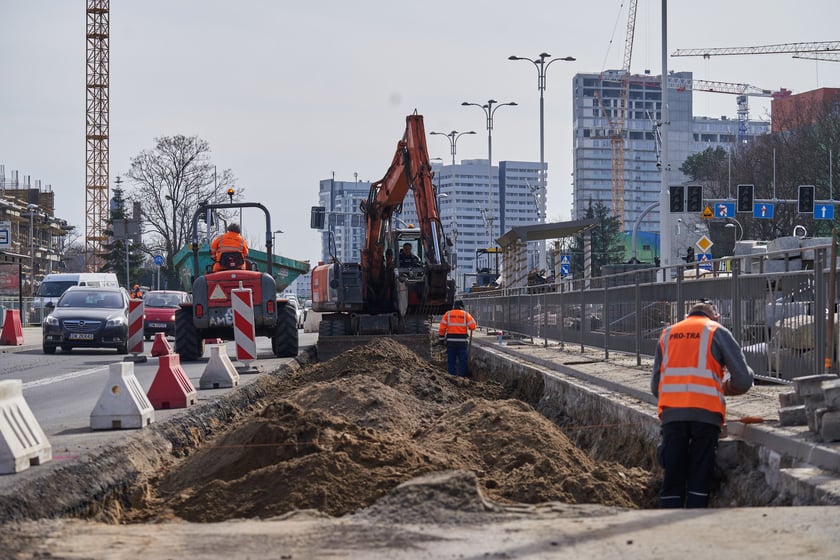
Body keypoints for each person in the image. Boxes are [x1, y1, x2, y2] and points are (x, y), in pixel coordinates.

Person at [650, 300, 754, 509]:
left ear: (688, 315)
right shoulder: (718, 331)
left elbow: (656, 387)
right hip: (706, 414)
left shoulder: (668, 333)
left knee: (672, 475)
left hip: (672, 415)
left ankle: (667, 521)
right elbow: (743, 380)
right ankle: (695, 521)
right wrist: (720, 387)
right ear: (716, 317)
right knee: (700, 473)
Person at [438, 300, 477, 378]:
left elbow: (442, 328)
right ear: (462, 307)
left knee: (451, 361)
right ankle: (462, 377)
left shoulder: (448, 314)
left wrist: (441, 339)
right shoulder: (466, 314)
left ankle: (451, 377)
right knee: (463, 361)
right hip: (462, 343)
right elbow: (473, 326)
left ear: (454, 306)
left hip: (451, 342)